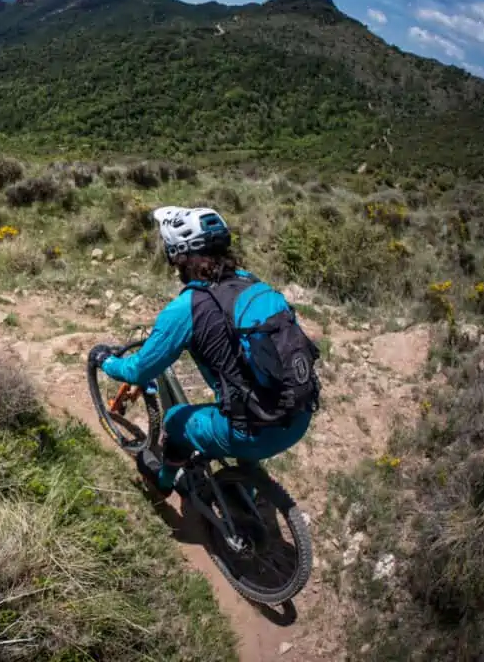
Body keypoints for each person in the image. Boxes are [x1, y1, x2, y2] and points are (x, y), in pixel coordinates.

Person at [89, 205, 318, 494]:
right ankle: (245, 484)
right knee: (239, 397)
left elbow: (138, 370)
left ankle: (164, 482)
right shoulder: (249, 281)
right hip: (298, 414)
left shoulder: (187, 307)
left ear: (178, 255)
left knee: (174, 421)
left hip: (257, 432)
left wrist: (106, 361)